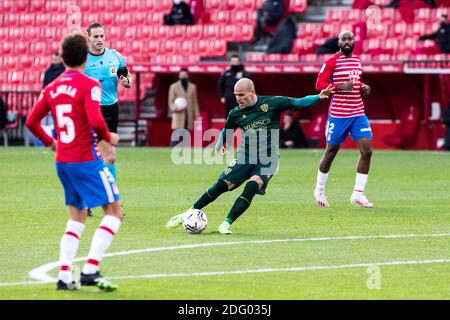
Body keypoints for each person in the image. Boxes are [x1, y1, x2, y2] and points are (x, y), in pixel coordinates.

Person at [166, 78, 335, 234]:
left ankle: (226, 224)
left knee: (253, 186)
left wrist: (319, 97)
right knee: (222, 186)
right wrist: (219, 146)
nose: (238, 99)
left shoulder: (272, 103)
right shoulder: (236, 113)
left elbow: (297, 102)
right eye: (236, 95)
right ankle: (188, 213)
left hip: (268, 159)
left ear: (252, 92)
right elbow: (227, 129)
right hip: (245, 156)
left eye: (241, 95)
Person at [25, 33, 123, 291]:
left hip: (63, 161)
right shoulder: (89, 85)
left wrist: (52, 143)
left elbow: (31, 122)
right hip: (85, 159)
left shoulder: (52, 87)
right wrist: (108, 136)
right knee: (113, 213)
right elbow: (95, 119)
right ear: (84, 55)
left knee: (76, 219)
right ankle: (90, 270)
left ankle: (64, 276)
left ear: (64, 56)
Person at [314, 30, 374, 209]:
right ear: (339, 42)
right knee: (331, 152)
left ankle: (358, 194)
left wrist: (364, 87)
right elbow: (319, 84)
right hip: (339, 115)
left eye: (350, 39)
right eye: (344, 39)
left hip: (357, 113)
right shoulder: (332, 61)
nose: (347, 41)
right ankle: (319, 190)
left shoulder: (357, 61)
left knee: (367, 151)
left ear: (354, 42)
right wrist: (336, 86)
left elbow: (356, 83)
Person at [84, 22, 132, 216]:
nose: (99, 39)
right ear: (88, 39)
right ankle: (112, 202)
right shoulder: (82, 61)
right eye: (95, 36)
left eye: (102, 36)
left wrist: (126, 81)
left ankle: (90, 199)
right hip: (90, 111)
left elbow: (125, 76)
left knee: (106, 157)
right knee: (106, 156)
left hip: (111, 110)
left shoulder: (115, 56)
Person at [168, 68, 200, 146]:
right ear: (179, 76)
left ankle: (182, 152)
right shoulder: (174, 86)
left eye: (185, 75)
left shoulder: (192, 87)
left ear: (188, 76)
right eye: (182, 75)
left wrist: (197, 114)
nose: (183, 77)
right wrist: (174, 108)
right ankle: (172, 148)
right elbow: (170, 101)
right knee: (177, 134)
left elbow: (194, 101)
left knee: (186, 134)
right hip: (178, 114)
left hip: (188, 114)